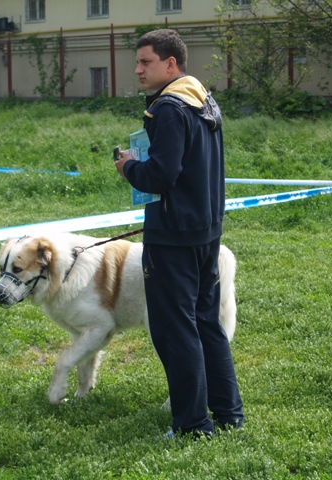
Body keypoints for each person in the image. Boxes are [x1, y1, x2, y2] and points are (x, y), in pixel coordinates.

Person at [114, 29, 244, 438]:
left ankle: (192, 424)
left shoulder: (168, 109)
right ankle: (229, 414)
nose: (138, 70)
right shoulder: (204, 99)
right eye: (137, 62)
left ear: (171, 64)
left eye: (146, 62)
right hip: (205, 231)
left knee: (177, 331)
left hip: (173, 236)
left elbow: (161, 176)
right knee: (206, 323)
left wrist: (128, 167)